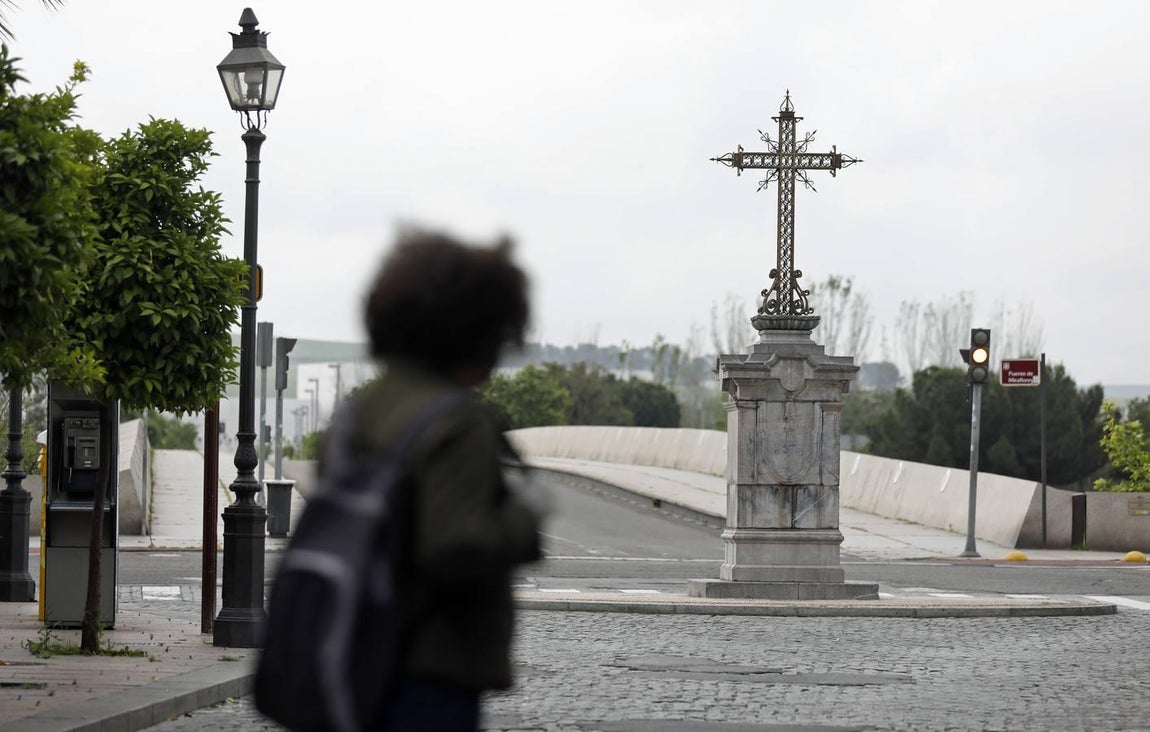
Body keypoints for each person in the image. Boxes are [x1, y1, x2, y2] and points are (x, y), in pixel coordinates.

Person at [345, 227, 544, 730]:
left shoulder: (364, 409)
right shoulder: (456, 423)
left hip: (355, 648)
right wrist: (523, 523)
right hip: (429, 666)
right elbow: (456, 545)